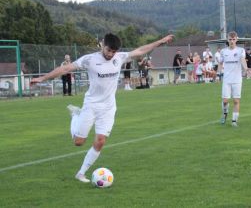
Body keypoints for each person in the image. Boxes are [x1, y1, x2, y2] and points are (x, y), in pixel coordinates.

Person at [30, 33, 174, 183]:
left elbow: (141, 50)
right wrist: (42, 78)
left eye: (114, 51)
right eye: (108, 50)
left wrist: (161, 41)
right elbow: (65, 69)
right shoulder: (89, 59)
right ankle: (75, 116)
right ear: (102, 45)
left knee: (100, 141)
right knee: (78, 142)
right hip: (91, 105)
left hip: (108, 107)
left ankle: (81, 173)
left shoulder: (120, 57)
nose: (111, 54)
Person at [218, 31, 248, 127]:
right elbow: (220, 63)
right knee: (225, 101)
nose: (232, 41)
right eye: (230, 39)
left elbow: (243, 60)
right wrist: (219, 73)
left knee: (236, 101)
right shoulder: (223, 51)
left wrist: (246, 69)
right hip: (226, 80)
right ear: (227, 39)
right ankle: (225, 113)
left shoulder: (241, 50)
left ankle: (234, 121)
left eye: (233, 39)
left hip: (237, 80)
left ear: (237, 40)